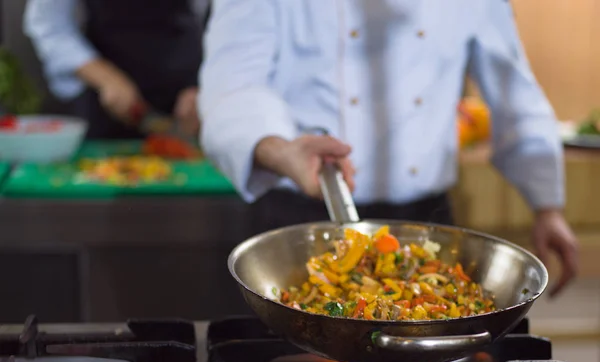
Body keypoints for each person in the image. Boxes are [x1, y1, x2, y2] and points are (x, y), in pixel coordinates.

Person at [199, 0, 578, 297]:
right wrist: (279, 149)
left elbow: (513, 86)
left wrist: (547, 205)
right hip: (298, 226)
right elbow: (233, 86)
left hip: (428, 226)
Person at [23, 0, 209, 139]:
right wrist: (106, 79)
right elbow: (48, 25)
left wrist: (205, 83)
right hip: (104, 106)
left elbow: (225, 21)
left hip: (189, 94)